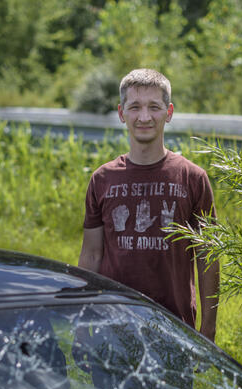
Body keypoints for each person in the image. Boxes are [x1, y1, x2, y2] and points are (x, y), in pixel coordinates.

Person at [78, 68, 219, 342]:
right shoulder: (102, 179)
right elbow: (92, 255)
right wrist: (83, 320)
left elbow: (207, 259)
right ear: (121, 113)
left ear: (169, 112)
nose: (144, 117)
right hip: (113, 325)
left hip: (175, 329)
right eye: (135, 107)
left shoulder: (193, 179)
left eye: (154, 107)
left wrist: (209, 329)